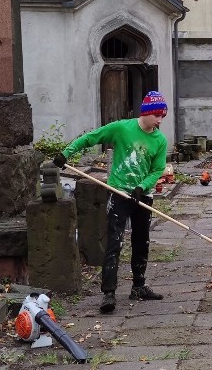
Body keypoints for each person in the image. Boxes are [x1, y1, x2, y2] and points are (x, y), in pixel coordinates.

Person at [53, 91, 169, 313]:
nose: (160, 120)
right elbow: (91, 137)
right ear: (146, 112)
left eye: (163, 116)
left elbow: (157, 170)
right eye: (157, 115)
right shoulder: (121, 128)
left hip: (142, 196)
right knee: (114, 242)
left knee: (141, 240)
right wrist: (66, 154)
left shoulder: (160, 140)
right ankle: (108, 293)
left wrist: (142, 187)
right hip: (118, 193)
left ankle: (139, 286)